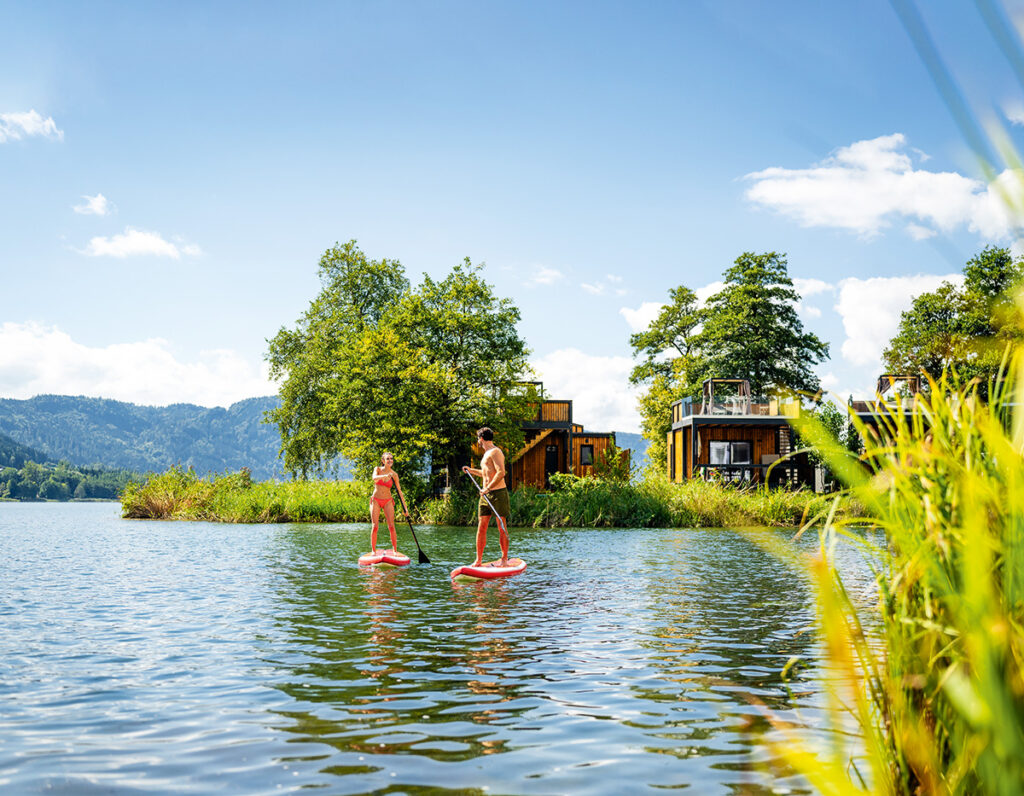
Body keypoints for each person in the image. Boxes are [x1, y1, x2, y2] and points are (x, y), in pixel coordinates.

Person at [462, 427, 511, 567]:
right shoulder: (486, 454)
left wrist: (488, 488)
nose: (478, 441)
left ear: (481, 439)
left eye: (478, 439)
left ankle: (504, 559)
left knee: (501, 526)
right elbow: (486, 474)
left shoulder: (496, 452)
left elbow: (501, 472)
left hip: (498, 493)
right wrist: (471, 470)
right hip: (485, 495)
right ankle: (478, 560)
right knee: (481, 527)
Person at [369, 451, 408, 555]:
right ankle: (373, 550)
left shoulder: (394, 475)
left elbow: (399, 492)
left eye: (391, 459)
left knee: (391, 526)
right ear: (383, 461)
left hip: (388, 501)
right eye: (388, 459)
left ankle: (394, 550)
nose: (390, 460)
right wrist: (384, 476)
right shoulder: (377, 469)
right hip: (376, 500)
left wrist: (405, 508)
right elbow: (374, 478)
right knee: (375, 526)